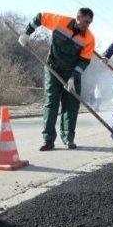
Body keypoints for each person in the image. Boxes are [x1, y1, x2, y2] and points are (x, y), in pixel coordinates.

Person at [18, 8, 95, 151]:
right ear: (78, 17)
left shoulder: (89, 39)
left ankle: (68, 139)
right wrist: (27, 33)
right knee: (51, 103)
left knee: (71, 106)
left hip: (72, 74)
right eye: (85, 21)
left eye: (90, 23)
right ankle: (48, 140)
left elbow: (84, 61)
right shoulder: (60, 21)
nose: (87, 25)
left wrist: (72, 78)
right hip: (53, 69)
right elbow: (40, 17)